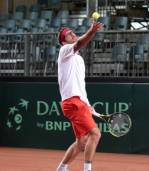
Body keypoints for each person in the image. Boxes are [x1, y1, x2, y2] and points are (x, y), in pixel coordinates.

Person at [56, 21, 103, 171]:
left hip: (78, 101)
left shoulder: (80, 60)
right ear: (64, 42)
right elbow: (80, 43)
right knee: (95, 134)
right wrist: (91, 31)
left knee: (81, 142)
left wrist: (87, 104)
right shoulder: (64, 51)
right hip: (71, 102)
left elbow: (80, 85)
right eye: (68, 35)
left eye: (72, 32)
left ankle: (61, 168)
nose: (72, 34)